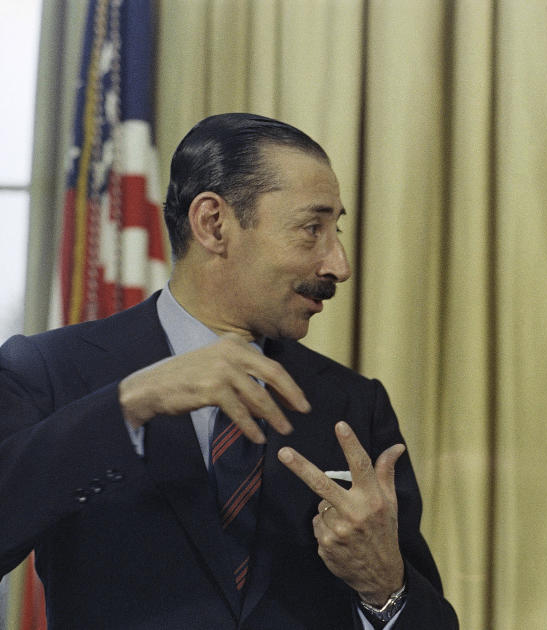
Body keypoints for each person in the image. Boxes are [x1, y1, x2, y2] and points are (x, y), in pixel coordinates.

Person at [0, 113, 458, 629]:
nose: (338, 265)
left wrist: (384, 587)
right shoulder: (51, 370)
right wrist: (127, 405)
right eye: (312, 229)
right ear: (214, 223)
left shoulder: (352, 404)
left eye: (337, 230)